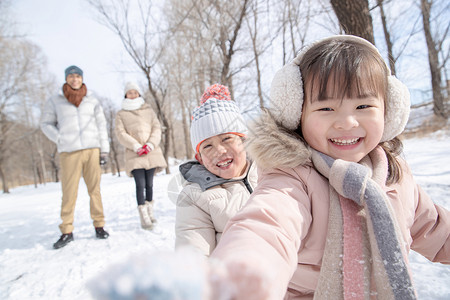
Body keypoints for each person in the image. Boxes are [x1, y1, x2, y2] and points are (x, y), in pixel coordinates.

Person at [207, 35, 450, 299]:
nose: (346, 122)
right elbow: (266, 228)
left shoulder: (396, 177)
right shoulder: (293, 178)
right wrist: (240, 278)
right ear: (298, 115)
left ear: (389, 111)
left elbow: (435, 229)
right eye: (326, 108)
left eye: (363, 105)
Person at [175, 84, 258, 256]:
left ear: (244, 141)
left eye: (227, 138)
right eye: (207, 146)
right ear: (200, 159)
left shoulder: (273, 171)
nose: (219, 151)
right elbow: (193, 255)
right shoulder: (194, 197)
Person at [40, 65, 110, 250]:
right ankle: (67, 230)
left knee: (94, 190)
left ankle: (99, 225)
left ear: (82, 78)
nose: (74, 79)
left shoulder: (92, 100)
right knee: (69, 192)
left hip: (92, 149)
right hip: (69, 151)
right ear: (66, 79)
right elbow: (45, 124)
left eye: (77, 76)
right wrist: (60, 138)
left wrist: (104, 150)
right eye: (71, 76)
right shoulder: (55, 100)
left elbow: (101, 124)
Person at [115, 82, 167, 229]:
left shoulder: (148, 110)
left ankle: (150, 212)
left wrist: (150, 144)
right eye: (129, 92)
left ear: (139, 93)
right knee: (140, 184)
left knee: (150, 184)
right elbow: (120, 133)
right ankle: (143, 216)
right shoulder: (121, 114)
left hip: (151, 151)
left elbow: (156, 127)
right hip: (134, 153)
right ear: (126, 94)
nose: (132, 94)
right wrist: (136, 146)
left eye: (135, 92)